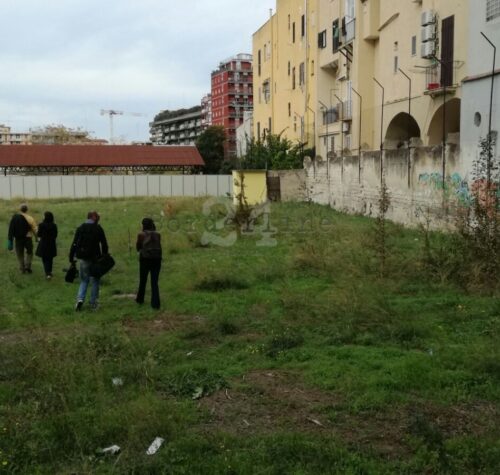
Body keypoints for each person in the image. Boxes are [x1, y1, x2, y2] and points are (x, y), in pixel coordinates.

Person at [69, 211, 108, 311]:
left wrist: (71, 257)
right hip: (96, 258)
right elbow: (104, 243)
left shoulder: (81, 228)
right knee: (95, 280)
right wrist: (105, 255)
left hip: (83, 257)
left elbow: (74, 243)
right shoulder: (98, 228)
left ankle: (80, 299)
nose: (98, 218)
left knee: (84, 280)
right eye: (97, 216)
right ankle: (93, 302)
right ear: (93, 217)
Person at [136, 218, 162, 309]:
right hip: (157, 259)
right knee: (154, 282)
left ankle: (140, 299)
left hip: (145, 259)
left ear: (143, 225)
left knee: (143, 280)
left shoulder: (141, 235)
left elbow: (138, 248)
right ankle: (155, 304)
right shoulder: (158, 234)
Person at [7, 203, 38, 274]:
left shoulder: (15, 218)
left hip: (18, 239)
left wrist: (10, 239)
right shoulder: (30, 218)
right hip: (28, 238)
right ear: (27, 210)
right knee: (30, 252)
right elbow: (35, 229)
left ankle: (22, 268)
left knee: (20, 253)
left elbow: (12, 229)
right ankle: (28, 266)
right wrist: (36, 238)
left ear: (20, 209)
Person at [36, 211, 58, 280]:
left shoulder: (41, 225)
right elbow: (55, 235)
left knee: (44, 259)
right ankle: (49, 271)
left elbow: (39, 234)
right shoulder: (54, 225)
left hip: (43, 243)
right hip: (51, 243)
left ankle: (47, 273)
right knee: (50, 258)